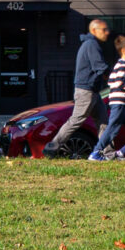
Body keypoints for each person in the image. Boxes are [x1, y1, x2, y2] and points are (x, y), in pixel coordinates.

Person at [46, 16, 114, 155]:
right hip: (86, 91)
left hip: (92, 90)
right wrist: (118, 79)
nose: (107, 32)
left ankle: (108, 153)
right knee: (76, 121)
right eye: (104, 29)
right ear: (94, 30)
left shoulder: (91, 44)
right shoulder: (91, 45)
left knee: (103, 122)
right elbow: (101, 67)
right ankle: (51, 148)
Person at [88, 41, 125, 160]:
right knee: (113, 129)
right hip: (120, 102)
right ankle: (96, 152)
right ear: (124, 51)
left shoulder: (122, 65)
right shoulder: (123, 64)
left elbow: (111, 81)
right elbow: (119, 83)